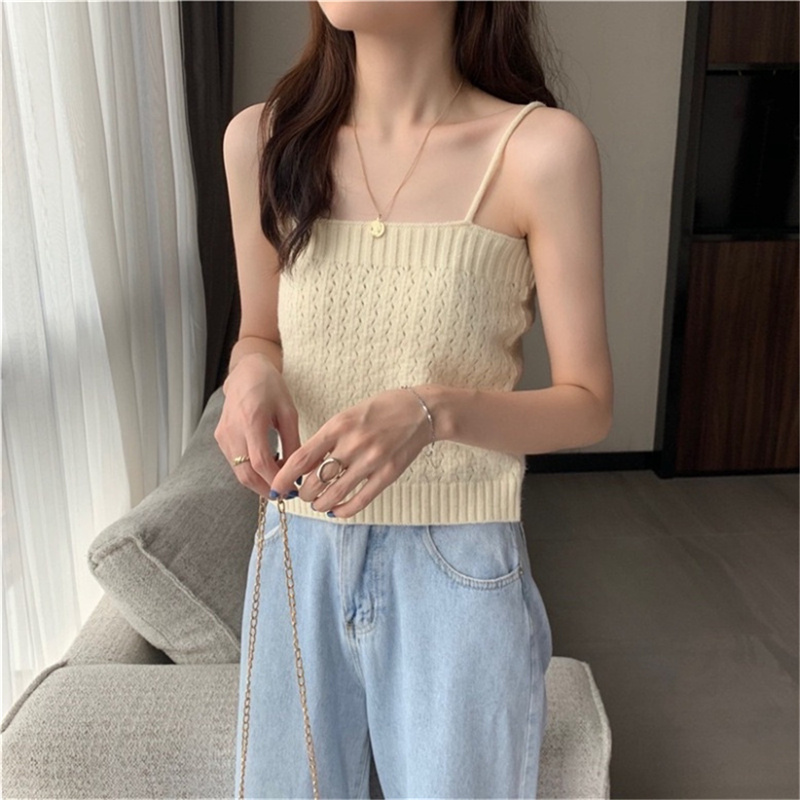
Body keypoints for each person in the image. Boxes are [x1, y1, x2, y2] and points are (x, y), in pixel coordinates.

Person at [217, 1, 613, 797]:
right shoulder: (262, 140)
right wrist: (248, 372)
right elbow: (260, 333)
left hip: (456, 566)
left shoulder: (540, 150)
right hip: (296, 551)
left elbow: (589, 403)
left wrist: (432, 414)